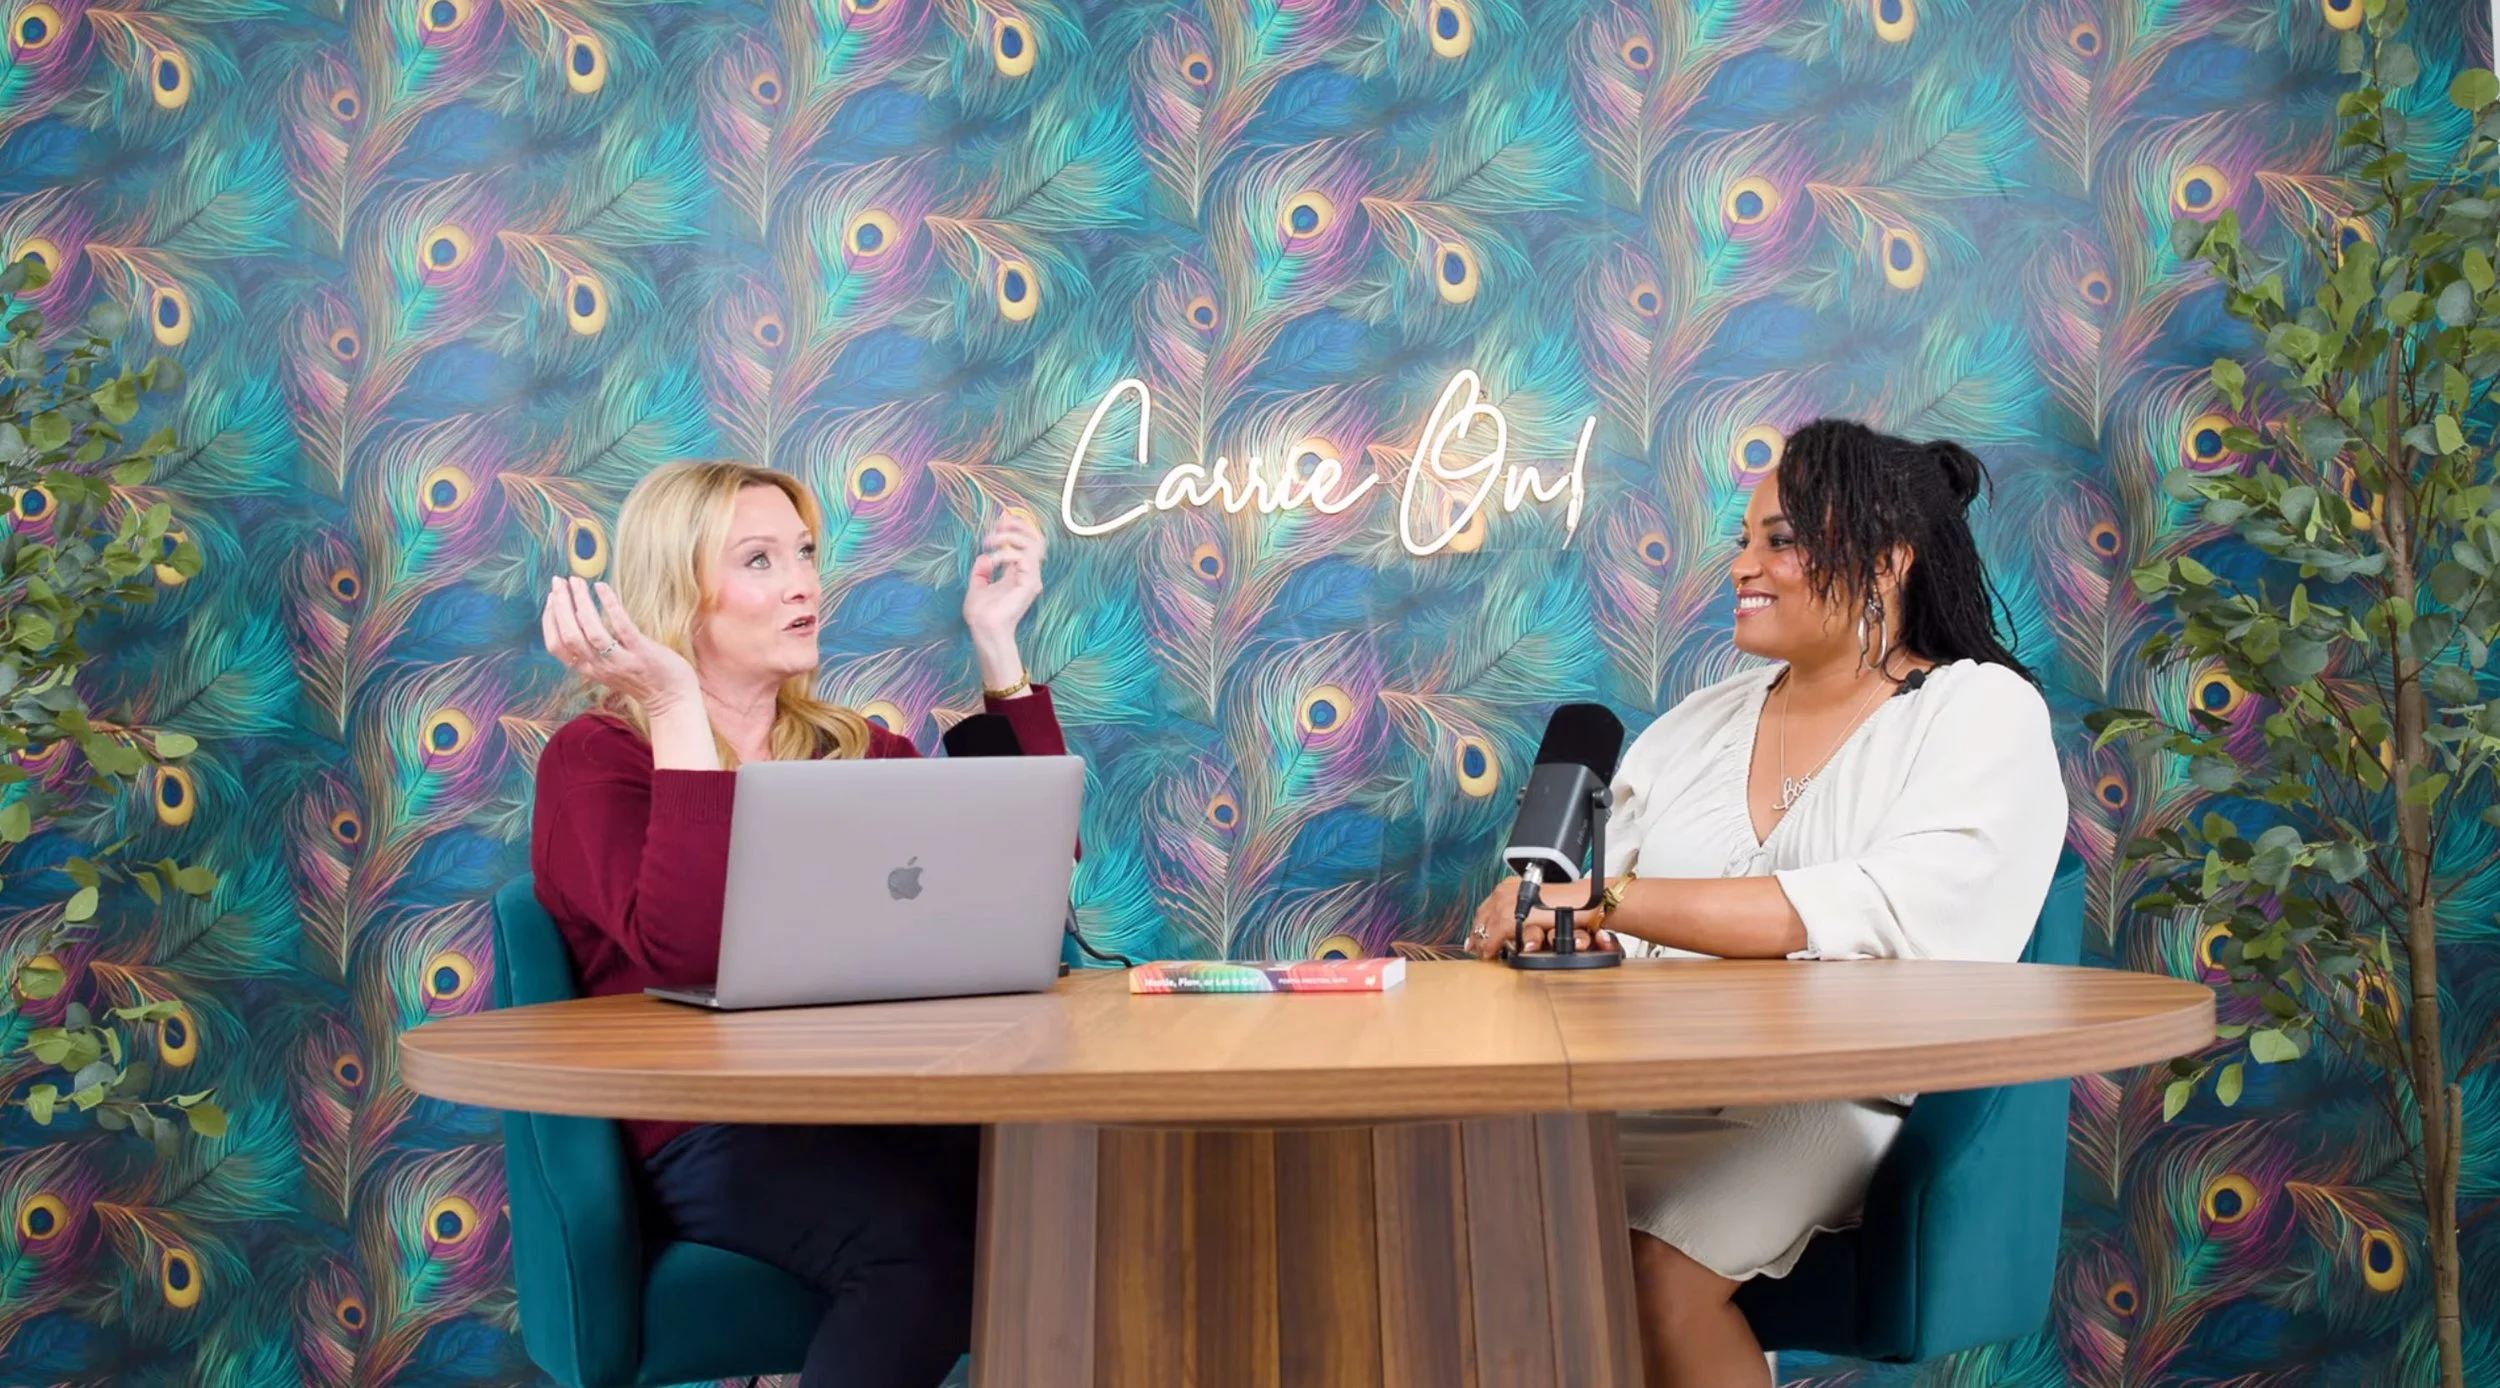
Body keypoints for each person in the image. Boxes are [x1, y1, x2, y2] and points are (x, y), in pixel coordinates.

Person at [1467, 420, 2067, 1388]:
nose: (1743, 565)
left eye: (1779, 541)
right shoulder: (1698, 724)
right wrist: (1556, 926)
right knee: (1472, 1209)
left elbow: (1877, 911)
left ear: (1886, 562)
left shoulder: (1979, 711)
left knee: (1655, 1272)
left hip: (1840, 1096)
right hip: (1659, 1083)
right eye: (1743, 540)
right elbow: (1620, 932)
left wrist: (1606, 898)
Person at [530, 460, 1066, 1388]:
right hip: (706, 1128)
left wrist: (996, 645)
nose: (804, 584)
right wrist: (674, 705)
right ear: (682, 592)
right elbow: (686, 951)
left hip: (868, 1100)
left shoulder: (852, 749)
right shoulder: (597, 759)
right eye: (760, 560)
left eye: (807, 554)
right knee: (918, 1253)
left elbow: (1031, 867)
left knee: (1065, 1186)